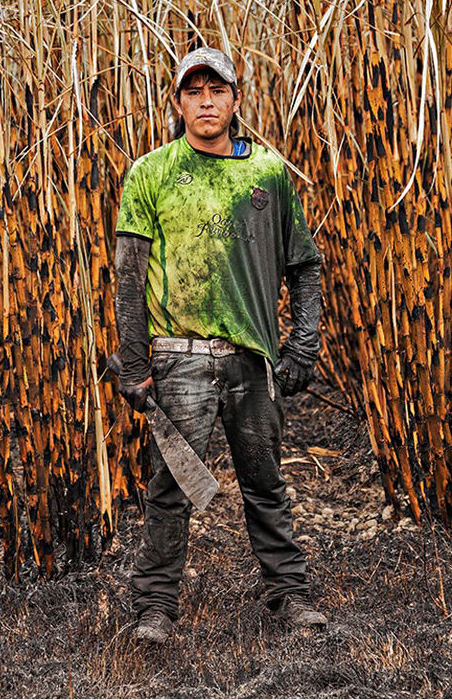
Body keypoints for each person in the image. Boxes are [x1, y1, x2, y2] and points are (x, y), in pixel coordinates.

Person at [111, 46, 329, 643]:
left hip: (251, 361)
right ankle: (155, 609)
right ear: (178, 101)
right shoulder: (151, 173)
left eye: (217, 90)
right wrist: (134, 365)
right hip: (178, 355)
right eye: (193, 91)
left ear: (236, 99)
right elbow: (129, 276)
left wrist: (302, 347)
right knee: (170, 487)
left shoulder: (266, 174)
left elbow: (304, 265)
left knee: (264, 480)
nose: (205, 101)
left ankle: (289, 596)